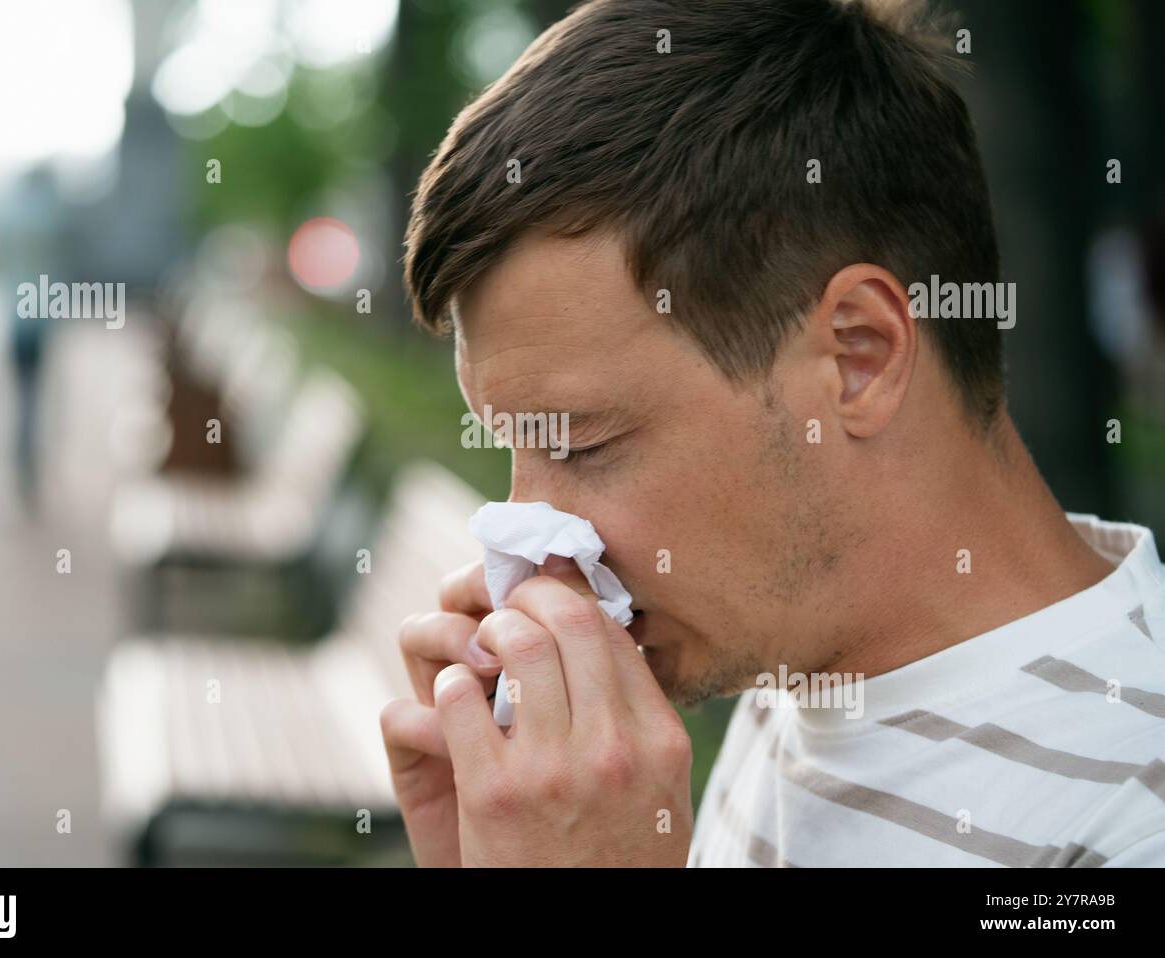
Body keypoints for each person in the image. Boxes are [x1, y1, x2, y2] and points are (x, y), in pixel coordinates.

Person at [380, 0, 1165, 867]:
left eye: (581, 446)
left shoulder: (1131, 819)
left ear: (857, 357)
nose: (535, 549)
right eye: (514, 448)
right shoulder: (791, 654)